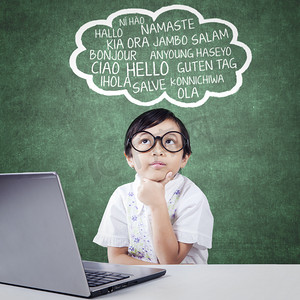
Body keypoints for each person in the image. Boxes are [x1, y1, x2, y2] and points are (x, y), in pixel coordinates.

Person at [93, 108, 213, 264]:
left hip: (184, 285)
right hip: (139, 285)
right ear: (129, 158)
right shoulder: (121, 196)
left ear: (184, 157)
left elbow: (170, 262)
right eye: (145, 141)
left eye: (169, 141)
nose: (158, 150)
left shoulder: (193, 198)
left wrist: (157, 204)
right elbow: (116, 258)